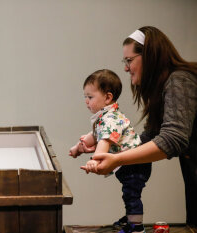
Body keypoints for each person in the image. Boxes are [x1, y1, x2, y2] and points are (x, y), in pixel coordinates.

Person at [82, 26, 197, 227]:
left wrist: (116, 158)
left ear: (150, 56)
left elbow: (173, 139)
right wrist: (113, 142)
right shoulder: (164, 87)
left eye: (129, 60)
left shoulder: (179, 80)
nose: (126, 68)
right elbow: (151, 136)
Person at [70, 69, 151, 233]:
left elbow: (103, 142)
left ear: (108, 97)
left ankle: (136, 226)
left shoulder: (110, 119)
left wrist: (95, 159)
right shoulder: (106, 116)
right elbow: (93, 136)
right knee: (128, 193)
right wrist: (78, 148)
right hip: (128, 162)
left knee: (131, 194)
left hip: (135, 163)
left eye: (90, 97)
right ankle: (131, 218)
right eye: (85, 96)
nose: (86, 101)